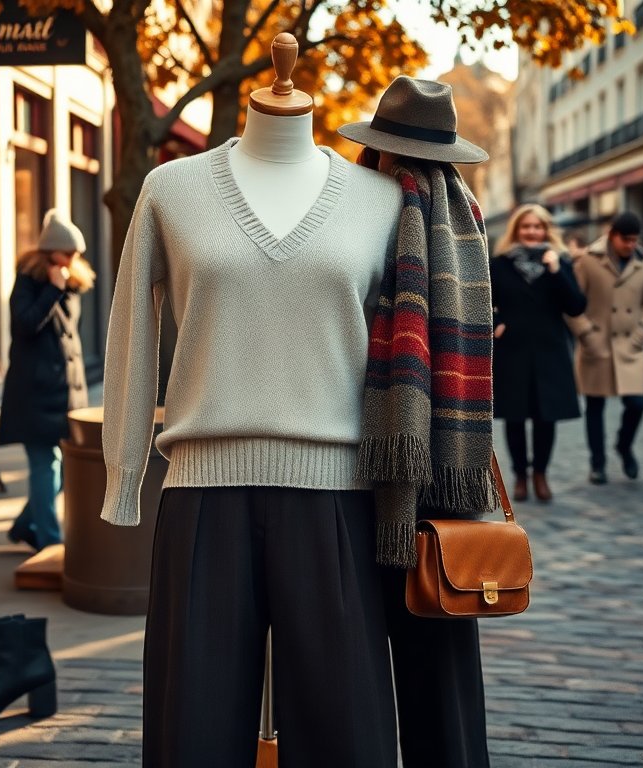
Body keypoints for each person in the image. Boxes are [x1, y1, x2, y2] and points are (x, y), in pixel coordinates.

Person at [101, 34, 402, 767]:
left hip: (341, 502)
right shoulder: (171, 190)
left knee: (346, 738)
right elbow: (132, 333)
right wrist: (123, 475)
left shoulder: (382, 201)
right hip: (204, 500)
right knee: (192, 735)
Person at [340, 75, 494, 768]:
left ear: (375, 146)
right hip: (441, 474)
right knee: (443, 660)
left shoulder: (348, 209)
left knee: (348, 665)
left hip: (354, 456)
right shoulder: (466, 215)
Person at [0, 211, 93, 551]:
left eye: (76, 255)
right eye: (67, 253)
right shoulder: (28, 282)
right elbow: (25, 325)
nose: (72, 260)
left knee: (66, 470)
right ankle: (50, 543)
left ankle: (25, 524)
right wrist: (51, 290)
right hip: (34, 395)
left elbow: (70, 345)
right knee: (45, 466)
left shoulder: (72, 285)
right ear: (50, 252)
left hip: (64, 393)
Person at [490, 203, 587, 502]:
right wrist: (496, 323)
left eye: (537, 227)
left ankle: (540, 474)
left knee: (547, 417)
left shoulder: (560, 262)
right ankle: (520, 475)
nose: (532, 232)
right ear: (517, 230)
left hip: (550, 350)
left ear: (546, 230)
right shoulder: (500, 263)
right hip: (513, 349)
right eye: (526, 227)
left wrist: (557, 271)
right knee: (516, 416)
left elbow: (577, 306)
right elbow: (481, 299)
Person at [568, 212, 643, 484]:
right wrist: (586, 333)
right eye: (626, 240)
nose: (631, 245)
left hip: (631, 346)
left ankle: (624, 445)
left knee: (637, 404)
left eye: (635, 240)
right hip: (597, 344)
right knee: (594, 407)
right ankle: (598, 464)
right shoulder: (587, 261)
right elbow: (572, 303)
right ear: (612, 235)